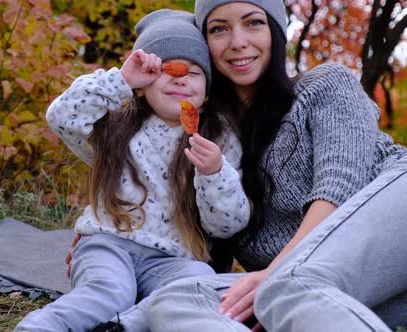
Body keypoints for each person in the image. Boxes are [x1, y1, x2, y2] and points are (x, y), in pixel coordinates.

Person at [143, 1, 407, 331]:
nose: (238, 41)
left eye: (253, 23)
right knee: (175, 299)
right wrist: (112, 245)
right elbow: (200, 243)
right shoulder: (207, 146)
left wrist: (278, 270)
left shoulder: (324, 84)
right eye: (219, 29)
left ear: (275, 31)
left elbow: (341, 183)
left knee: (291, 283)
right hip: (334, 290)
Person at [14, 9, 250, 332]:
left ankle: (121, 327)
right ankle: (39, 328)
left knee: (198, 283)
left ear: (207, 88)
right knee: (110, 291)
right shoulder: (116, 127)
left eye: (194, 72)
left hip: (173, 259)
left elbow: (228, 224)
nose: (181, 77)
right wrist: (122, 79)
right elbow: (61, 116)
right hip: (108, 244)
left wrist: (215, 173)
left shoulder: (220, 138)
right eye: (167, 69)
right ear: (143, 85)